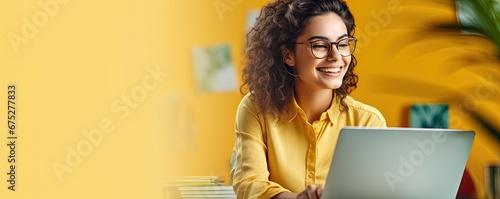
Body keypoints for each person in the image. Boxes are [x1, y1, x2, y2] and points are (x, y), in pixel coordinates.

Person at [229, 0, 386, 198]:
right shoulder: (256, 109)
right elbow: (250, 184)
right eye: (320, 45)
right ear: (288, 55)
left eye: (343, 44)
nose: (336, 56)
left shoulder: (368, 122)